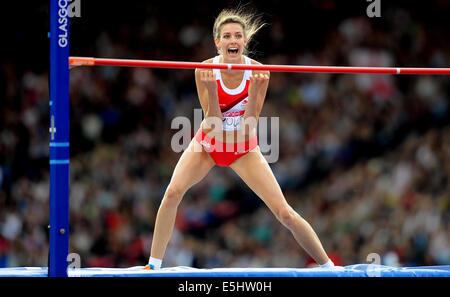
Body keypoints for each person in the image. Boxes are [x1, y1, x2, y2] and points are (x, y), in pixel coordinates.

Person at [144, 7, 334, 270]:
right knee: (172, 193)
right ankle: (153, 266)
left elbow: (248, 128)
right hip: (208, 145)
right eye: (227, 36)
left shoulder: (259, 73)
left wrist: (254, 94)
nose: (232, 40)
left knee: (285, 213)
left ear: (244, 41)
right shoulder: (204, 70)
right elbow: (212, 124)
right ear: (217, 42)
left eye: (237, 36)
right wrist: (212, 89)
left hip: (243, 148)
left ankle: (329, 268)